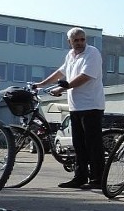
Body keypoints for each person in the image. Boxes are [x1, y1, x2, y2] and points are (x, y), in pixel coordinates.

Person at [34, 27, 105, 189]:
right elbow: (61, 72)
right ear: (69, 42)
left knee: (92, 144)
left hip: (92, 105)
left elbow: (86, 76)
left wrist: (61, 89)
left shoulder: (92, 53)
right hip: (76, 106)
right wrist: (41, 84)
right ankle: (80, 177)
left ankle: (98, 179)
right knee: (79, 144)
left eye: (82, 39)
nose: (80, 43)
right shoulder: (71, 56)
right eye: (76, 40)